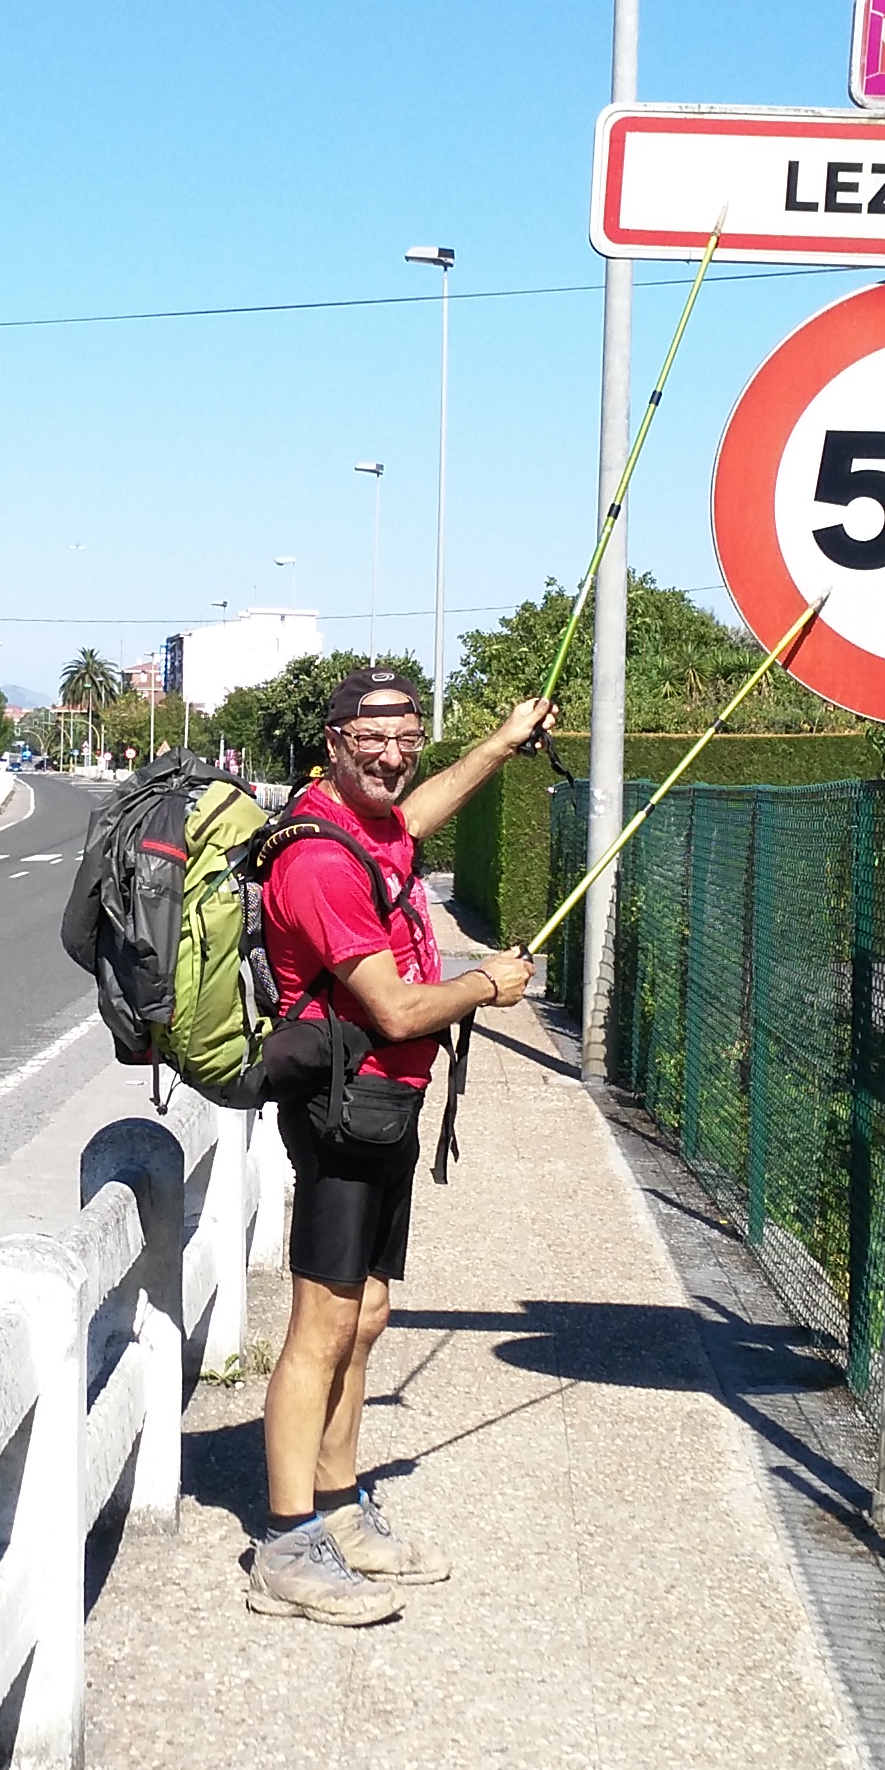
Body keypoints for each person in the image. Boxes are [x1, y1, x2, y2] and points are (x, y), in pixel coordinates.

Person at [242, 664, 553, 1626]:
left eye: (407, 740)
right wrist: (488, 986)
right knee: (321, 1324)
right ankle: (286, 1546)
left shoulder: (366, 827)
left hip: (387, 1104)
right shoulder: (320, 862)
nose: (392, 757)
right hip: (343, 1108)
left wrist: (500, 743)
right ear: (333, 742)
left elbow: (416, 815)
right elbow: (396, 1009)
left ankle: (339, 1507)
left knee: (367, 1313)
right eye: (372, 740)